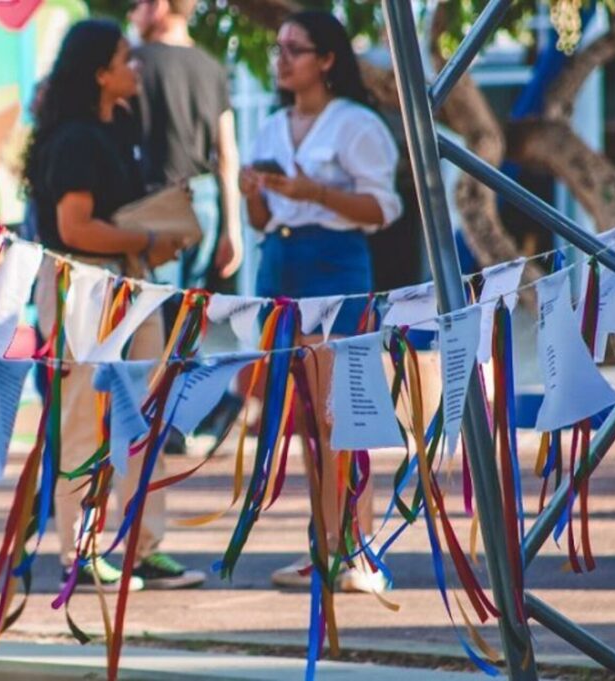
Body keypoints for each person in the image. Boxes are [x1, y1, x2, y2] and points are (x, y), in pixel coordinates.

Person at [23, 19, 206, 592]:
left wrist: (162, 219)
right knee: (86, 420)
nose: (138, 68)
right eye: (128, 59)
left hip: (128, 283)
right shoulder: (75, 138)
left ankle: (140, 546)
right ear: (101, 73)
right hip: (86, 285)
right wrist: (148, 240)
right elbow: (74, 227)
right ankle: (81, 551)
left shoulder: (118, 126)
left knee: (143, 416)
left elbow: (115, 215)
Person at [239, 10, 403, 592]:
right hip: (281, 265)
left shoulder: (355, 124)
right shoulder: (272, 124)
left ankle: (356, 549)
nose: (281, 60)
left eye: (295, 50)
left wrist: (316, 193)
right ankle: (324, 543)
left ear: (327, 60)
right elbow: (263, 219)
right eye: (279, 49)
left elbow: (382, 210)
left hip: (334, 263)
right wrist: (253, 193)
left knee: (342, 409)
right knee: (305, 418)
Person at [129, 0, 245, 453]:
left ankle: (158, 418)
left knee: (152, 317)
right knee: (187, 319)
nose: (134, 14)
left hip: (155, 201)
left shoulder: (139, 61)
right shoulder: (211, 66)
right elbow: (226, 151)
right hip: (205, 200)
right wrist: (232, 227)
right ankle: (185, 413)